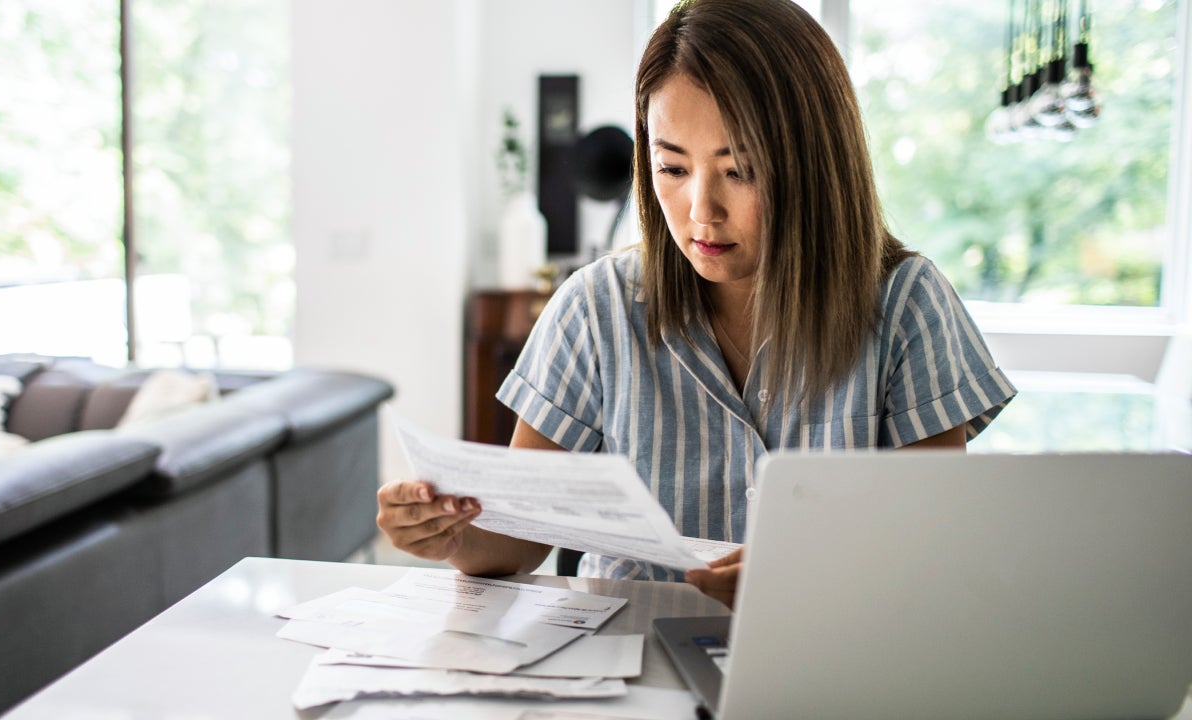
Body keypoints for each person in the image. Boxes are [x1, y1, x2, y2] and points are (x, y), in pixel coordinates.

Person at [377, 0, 1017, 609]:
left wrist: (808, 573)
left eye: (740, 171)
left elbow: (931, 545)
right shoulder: (596, 308)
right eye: (672, 168)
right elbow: (517, 540)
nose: (700, 211)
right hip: (628, 659)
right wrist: (451, 534)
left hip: (829, 655)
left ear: (815, 164)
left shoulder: (906, 306)